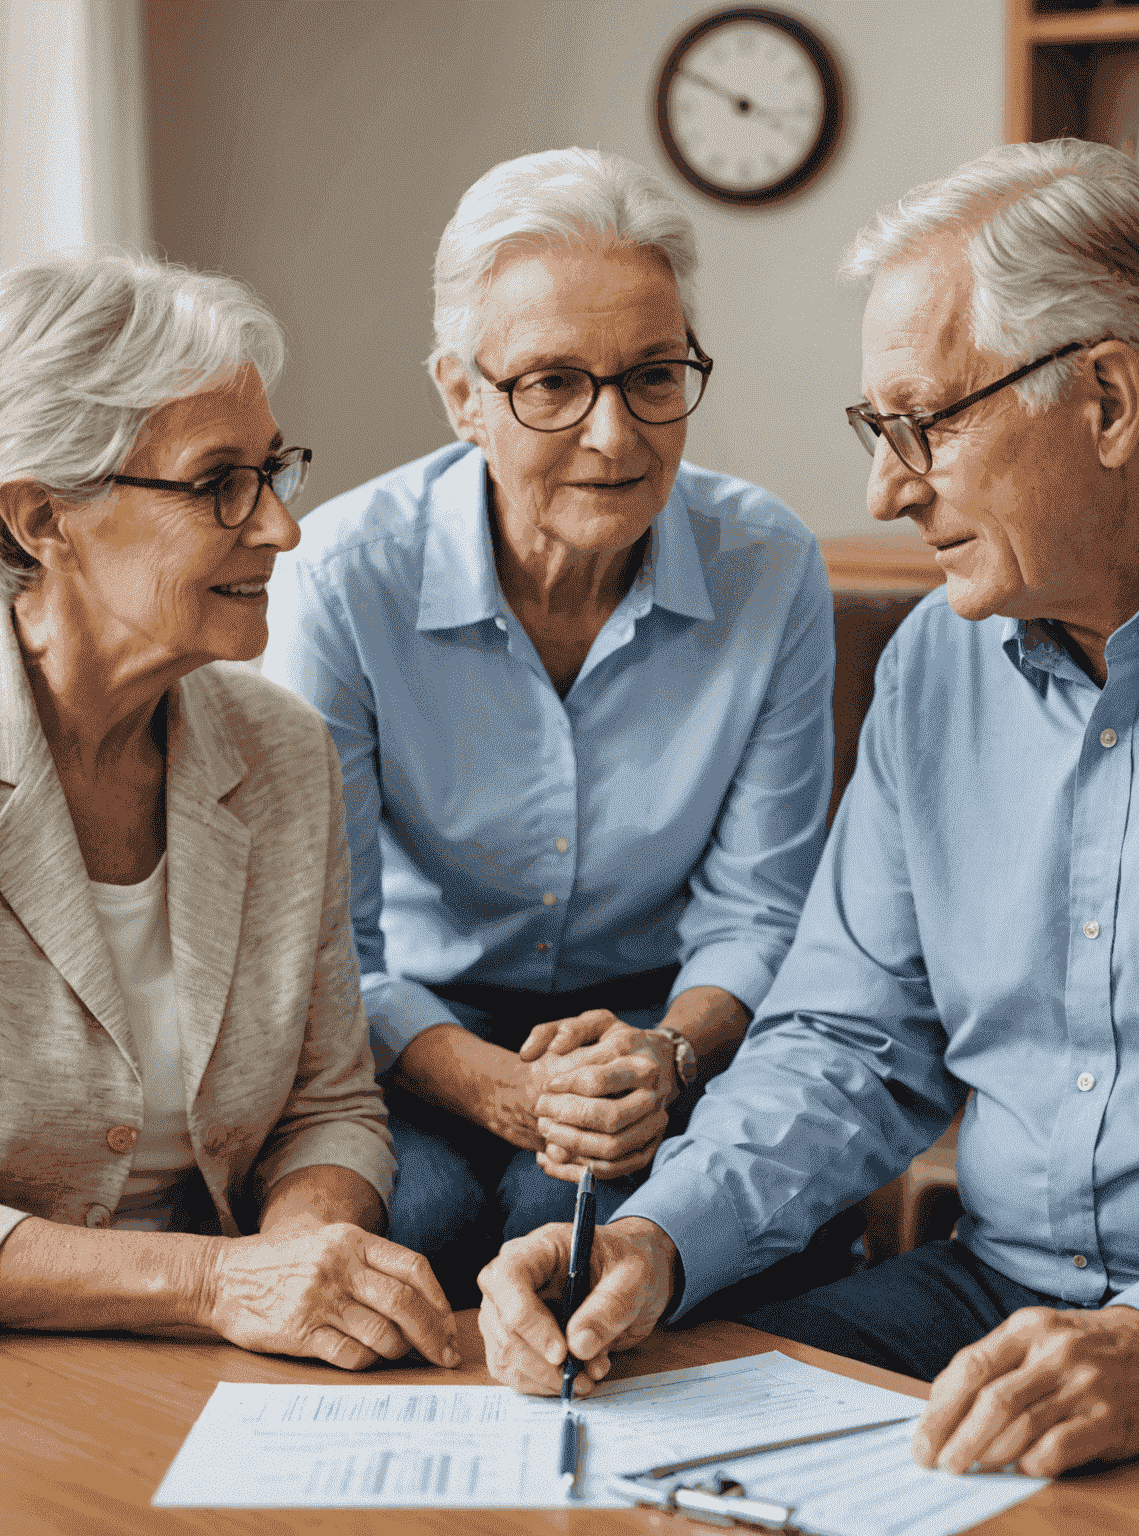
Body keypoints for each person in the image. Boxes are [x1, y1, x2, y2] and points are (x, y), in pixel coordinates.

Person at [476, 139, 1139, 1510]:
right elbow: (850, 1041)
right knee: (632, 1449)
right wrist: (658, 1238)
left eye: (926, 422)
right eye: (878, 431)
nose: (886, 490)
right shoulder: (938, 662)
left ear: (1106, 397)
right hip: (992, 1294)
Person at [263, 147, 835, 1299]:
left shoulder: (770, 567)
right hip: (412, 1035)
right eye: (552, 384)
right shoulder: (342, 579)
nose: (616, 436)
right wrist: (498, 1088)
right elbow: (329, 948)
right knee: (417, 1225)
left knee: (580, 1235)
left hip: (658, 1034)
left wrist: (668, 1056)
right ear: (462, 395)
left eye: (653, 377)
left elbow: (763, 909)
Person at [0, 252, 456, 1372]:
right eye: (219, 482)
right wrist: (217, 1282)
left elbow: (329, 1106)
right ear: (44, 517)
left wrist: (304, 1261)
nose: (281, 526)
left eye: (273, 469)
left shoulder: (281, 752)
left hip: (232, 1360)